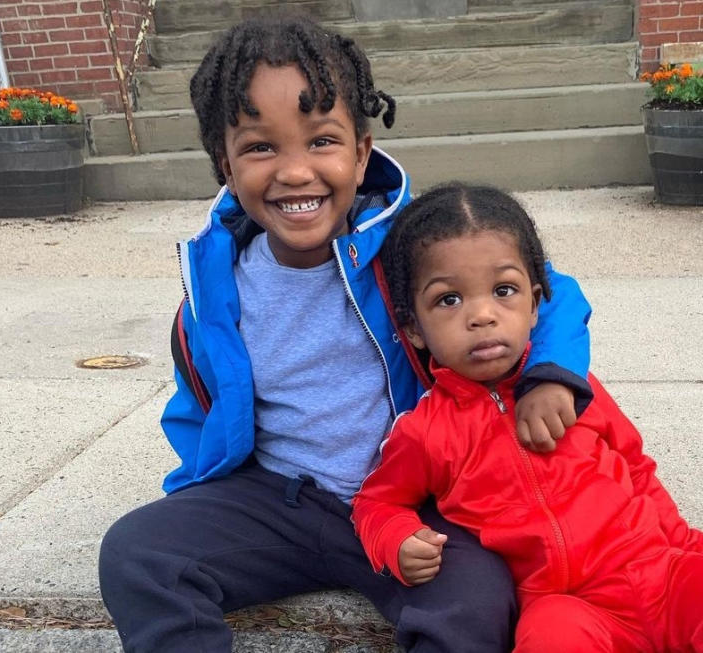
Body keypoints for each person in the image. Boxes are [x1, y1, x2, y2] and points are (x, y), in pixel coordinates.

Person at [97, 18, 595, 653]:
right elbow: (201, 405)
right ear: (225, 164)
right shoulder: (214, 290)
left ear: (361, 154)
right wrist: (199, 499)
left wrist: (549, 376)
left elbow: (549, 294)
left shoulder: (412, 249)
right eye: (260, 148)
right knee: (137, 553)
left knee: (477, 599)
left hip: (414, 502)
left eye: (322, 141)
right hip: (280, 502)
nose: (295, 172)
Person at [353, 183, 703, 653]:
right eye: (448, 300)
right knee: (551, 640)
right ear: (413, 330)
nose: (482, 315)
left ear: (535, 306)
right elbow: (376, 503)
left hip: (658, 573)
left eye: (504, 290)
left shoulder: (573, 386)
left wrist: (688, 556)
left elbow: (636, 467)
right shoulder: (425, 431)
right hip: (564, 604)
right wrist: (396, 539)